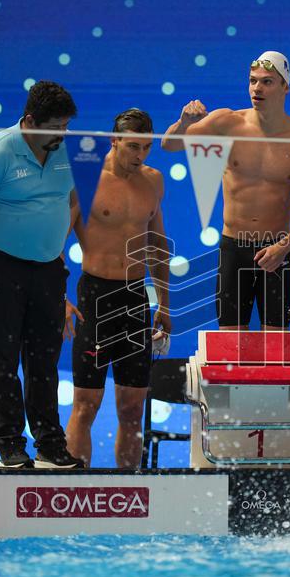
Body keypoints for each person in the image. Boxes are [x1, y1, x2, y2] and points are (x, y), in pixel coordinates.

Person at [0, 80, 83, 469]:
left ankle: (49, 443)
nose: (62, 134)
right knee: (2, 357)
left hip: (49, 269)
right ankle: (9, 443)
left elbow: (73, 200)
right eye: (55, 127)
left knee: (44, 359)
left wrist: (50, 242)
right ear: (30, 120)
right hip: (0, 267)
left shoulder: (66, 152)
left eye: (66, 126)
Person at [161, 51, 290, 330]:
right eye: (252, 80)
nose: (257, 88)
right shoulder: (227, 123)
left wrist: (284, 247)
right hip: (234, 249)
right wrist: (184, 123)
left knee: (276, 346)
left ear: (285, 87)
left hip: (277, 250)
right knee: (230, 345)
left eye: (267, 82)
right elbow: (169, 144)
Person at [65, 108, 171, 468]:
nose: (140, 155)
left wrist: (165, 304)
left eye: (146, 147)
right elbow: (53, 242)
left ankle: (130, 488)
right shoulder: (86, 178)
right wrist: (60, 297)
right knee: (86, 405)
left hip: (135, 298)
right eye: (133, 147)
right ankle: (73, 487)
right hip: (95, 298)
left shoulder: (153, 181)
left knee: (132, 408)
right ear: (114, 140)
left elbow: (157, 246)